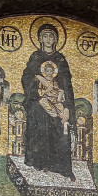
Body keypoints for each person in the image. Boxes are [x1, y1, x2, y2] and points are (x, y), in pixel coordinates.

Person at [21, 24, 75, 178]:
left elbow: (67, 84)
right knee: (38, 114)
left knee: (61, 122)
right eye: (45, 36)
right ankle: (39, 162)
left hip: (58, 100)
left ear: (56, 39)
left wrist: (67, 107)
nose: (48, 39)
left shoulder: (60, 59)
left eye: (51, 36)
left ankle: (60, 166)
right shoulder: (36, 57)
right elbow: (26, 77)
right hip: (38, 99)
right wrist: (38, 78)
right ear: (40, 39)